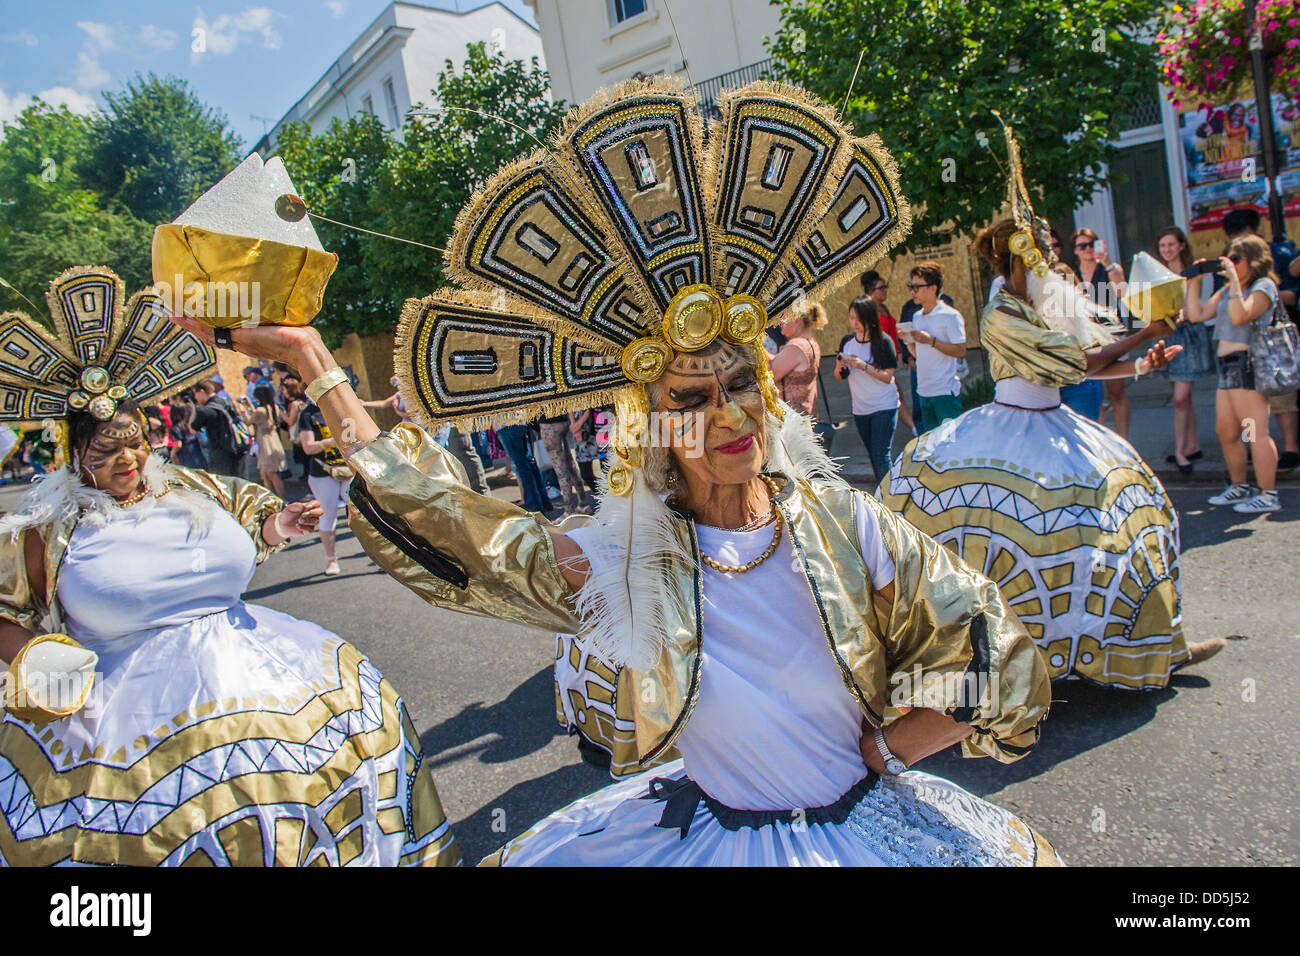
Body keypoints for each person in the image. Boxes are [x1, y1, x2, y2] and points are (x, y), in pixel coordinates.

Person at [174, 78, 1063, 867]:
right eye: (694, 395)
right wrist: (309, 357)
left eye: (741, 384)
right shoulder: (622, 564)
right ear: (651, 419)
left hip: (863, 832)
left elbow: (991, 647)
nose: (729, 416)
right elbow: (454, 528)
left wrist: (890, 751)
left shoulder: (844, 525)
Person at [0, 266, 456, 866]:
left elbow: (249, 516)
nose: (129, 459)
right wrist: (34, 658)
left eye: (135, 441)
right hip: (116, 721)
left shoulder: (189, 485)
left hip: (266, 671)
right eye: (106, 451)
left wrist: (276, 525)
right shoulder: (46, 529)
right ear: (72, 453)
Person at [881, 184, 1227, 691]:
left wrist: (1139, 365)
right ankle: (992, 665)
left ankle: (1149, 644)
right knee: (994, 535)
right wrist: (1146, 336)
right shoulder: (1002, 313)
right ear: (1020, 256)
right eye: (1041, 249)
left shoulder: (1042, 302)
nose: (1050, 257)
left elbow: (1088, 362)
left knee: (1128, 515)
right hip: (1005, 429)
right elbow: (1071, 363)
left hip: (1056, 425)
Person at [1183, 235, 1283, 513]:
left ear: (1254, 259)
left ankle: (1268, 493)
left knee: (1254, 432)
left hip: (1247, 365)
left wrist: (1235, 283)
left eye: (1236, 258)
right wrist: (1197, 280)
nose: (1230, 264)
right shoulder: (1229, 290)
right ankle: (1240, 486)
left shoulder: (1263, 287)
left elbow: (1242, 316)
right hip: (1226, 367)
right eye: (1227, 258)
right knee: (1226, 432)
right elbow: (1197, 314)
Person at [1224, 207, 1299, 469]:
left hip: (1270, 342)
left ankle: (1290, 448)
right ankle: (1256, 451)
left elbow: (1289, 293)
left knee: (1281, 398)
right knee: (1251, 414)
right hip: (1245, 348)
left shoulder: (1276, 258)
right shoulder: (1234, 263)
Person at [1154, 226, 1216, 473]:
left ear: (1181, 245)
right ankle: (1193, 445)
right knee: (1183, 397)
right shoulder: (1158, 274)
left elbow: (1190, 310)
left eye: (1171, 244)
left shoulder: (1191, 273)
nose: (1167, 249)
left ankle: (1180, 451)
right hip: (1167, 335)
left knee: (1179, 399)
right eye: (1162, 246)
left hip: (1188, 335)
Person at [1072, 228, 1132, 438]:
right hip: (1087, 339)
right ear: (1076, 250)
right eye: (1082, 245)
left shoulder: (1108, 269)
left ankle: (1124, 442)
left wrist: (1107, 262)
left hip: (1112, 335)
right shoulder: (1073, 274)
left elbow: (1122, 292)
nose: (1088, 249)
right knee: (1094, 393)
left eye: (1091, 244)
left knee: (1117, 392)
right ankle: (1103, 444)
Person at [834, 297, 898, 484]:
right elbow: (839, 377)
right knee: (873, 453)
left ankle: (890, 496)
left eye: (859, 319)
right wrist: (839, 367)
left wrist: (863, 366)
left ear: (870, 318)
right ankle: (889, 489)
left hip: (884, 405)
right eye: (852, 318)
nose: (855, 323)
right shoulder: (847, 341)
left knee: (881, 454)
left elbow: (888, 377)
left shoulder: (883, 341)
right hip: (861, 408)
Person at [901, 261, 965, 430]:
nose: (913, 292)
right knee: (931, 448)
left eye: (917, 287)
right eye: (911, 287)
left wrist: (930, 340)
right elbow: (918, 355)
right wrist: (908, 340)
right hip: (924, 392)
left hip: (944, 392)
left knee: (950, 444)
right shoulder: (917, 316)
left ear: (933, 288)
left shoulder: (950, 316)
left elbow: (960, 352)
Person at [297, 396, 352, 575]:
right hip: (322, 471)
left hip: (348, 469)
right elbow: (308, 447)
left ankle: (377, 558)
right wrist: (330, 442)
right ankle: (331, 560)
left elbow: (354, 437)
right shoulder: (308, 414)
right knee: (328, 515)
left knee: (362, 514)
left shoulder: (343, 405)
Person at [861, 269, 914, 433]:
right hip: (878, 362)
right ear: (870, 291)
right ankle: (915, 430)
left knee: (894, 398)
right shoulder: (868, 311)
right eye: (881, 288)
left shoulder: (882, 307)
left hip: (889, 360)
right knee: (896, 396)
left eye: (885, 287)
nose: (885, 291)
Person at [769, 301, 825, 418]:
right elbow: (780, 363)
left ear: (797, 320)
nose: (780, 323)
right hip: (806, 413)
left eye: (784, 318)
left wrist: (756, 344)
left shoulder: (795, 346)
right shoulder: (809, 341)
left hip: (792, 419)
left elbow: (771, 373)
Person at [540, 412, 592, 515]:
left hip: (549, 423)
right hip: (562, 420)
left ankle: (569, 511)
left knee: (561, 470)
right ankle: (582, 503)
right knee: (569, 465)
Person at [188, 379, 242, 477]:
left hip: (219, 453)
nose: (195, 397)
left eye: (195, 394)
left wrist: (193, 408)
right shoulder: (225, 402)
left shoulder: (205, 411)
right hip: (236, 448)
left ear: (201, 391)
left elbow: (191, 429)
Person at [250, 383, 288, 498]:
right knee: (265, 474)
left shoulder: (261, 410)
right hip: (273, 439)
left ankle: (282, 499)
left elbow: (249, 420)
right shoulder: (274, 407)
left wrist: (243, 409)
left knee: (271, 474)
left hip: (265, 441)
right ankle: (272, 498)